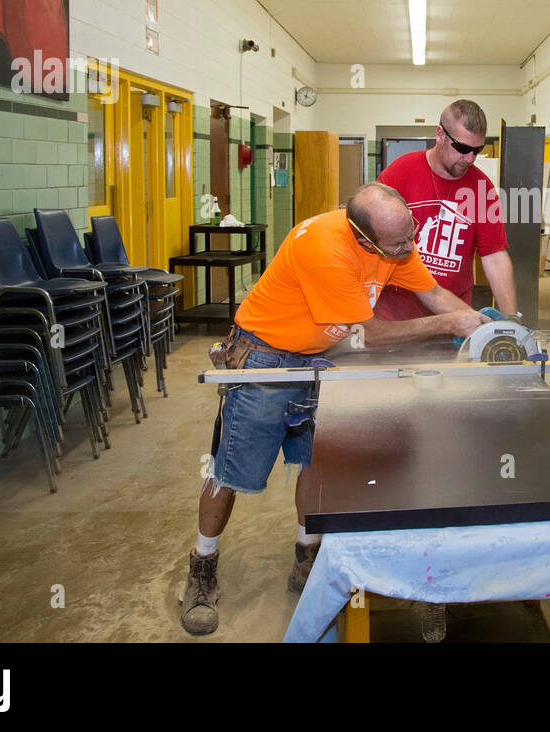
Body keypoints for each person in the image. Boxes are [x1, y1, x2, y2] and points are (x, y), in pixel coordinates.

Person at [180, 183, 489, 635]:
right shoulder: (325, 248)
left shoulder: (395, 242)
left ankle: (306, 558)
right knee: (232, 470)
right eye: (400, 242)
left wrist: (481, 330)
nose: (411, 247)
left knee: (315, 462)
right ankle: (202, 565)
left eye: (412, 233)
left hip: (320, 356)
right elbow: (367, 334)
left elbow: (435, 294)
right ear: (363, 238)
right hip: (267, 355)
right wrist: (447, 324)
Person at [374, 99, 517, 324]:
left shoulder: (482, 188)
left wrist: (511, 322)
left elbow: (495, 257)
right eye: (462, 148)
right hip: (396, 318)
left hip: (454, 319)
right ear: (440, 134)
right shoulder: (399, 174)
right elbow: (369, 239)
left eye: (477, 150)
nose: (470, 158)